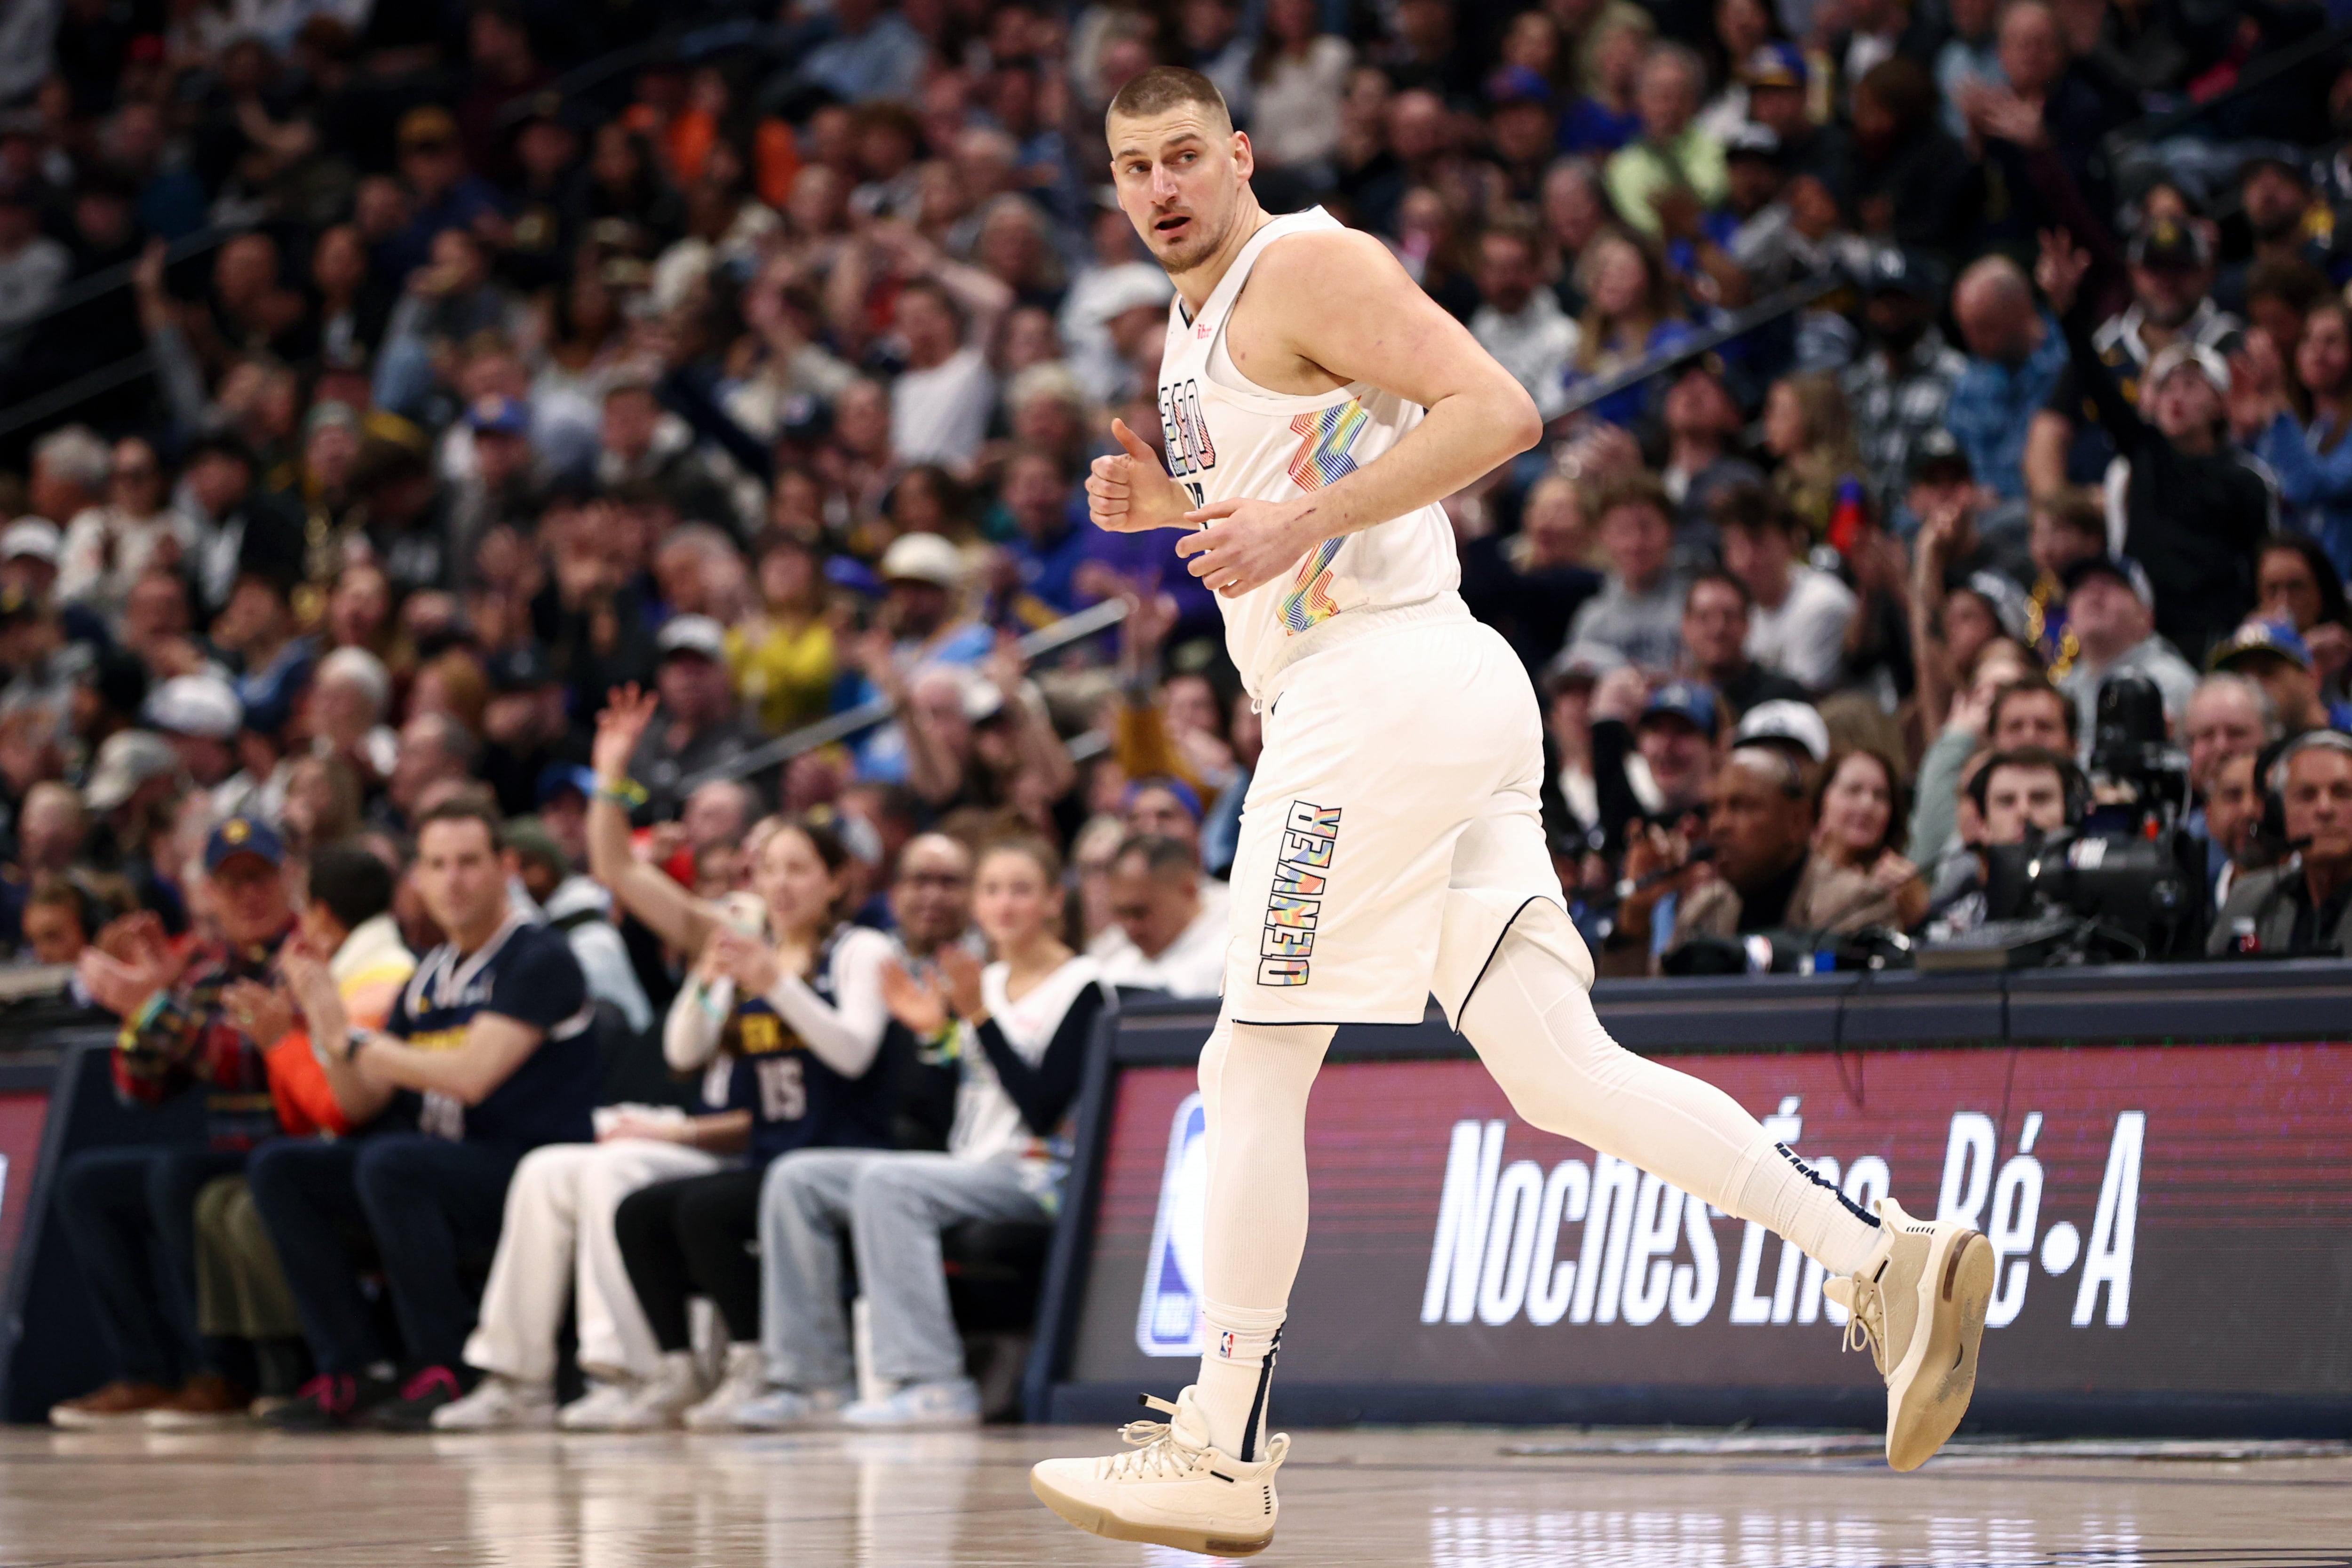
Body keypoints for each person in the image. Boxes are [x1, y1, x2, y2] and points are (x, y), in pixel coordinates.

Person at [1033, 69, 1993, 1557]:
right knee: (1556, 1069)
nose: (1156, 187)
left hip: (1376, 696)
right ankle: (1876, 1256)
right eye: (1127, 167)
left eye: (1180, 157)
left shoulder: (1308, 260)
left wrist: (1299, 521)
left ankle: (1219, 1445)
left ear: (1236, 155)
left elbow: (1499, 410)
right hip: (1430, 705)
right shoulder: (1200, 322)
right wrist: (1186, 512)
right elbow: (1314, 476)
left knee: (1250, 1061)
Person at [581, 686, 897, 1432]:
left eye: (798, 870)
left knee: (703, 1208)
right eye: (767, 871)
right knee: (640, 1211)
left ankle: (755, 1359)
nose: (779, 886)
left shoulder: (859, 950)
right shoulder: (741, 948)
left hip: (843, 1152)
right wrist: (716, 980)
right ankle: (676, 1368)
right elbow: (682, 1053)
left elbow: (851, 1056)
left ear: (836, 881)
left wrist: (775, 984)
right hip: (770, 1155)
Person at [250, 798, 600, 1431]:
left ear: (506, 867)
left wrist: (360, 1044)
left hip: (525, 1167)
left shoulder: (539, 957)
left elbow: (471, 1077)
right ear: (417, 879)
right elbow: (360, 1102)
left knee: (394, 1163)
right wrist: (329, 1035)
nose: (453, 879)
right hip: (433, 1167)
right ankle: (354, 1368)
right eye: (436, 865)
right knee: (283, 1169)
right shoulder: (429, 975)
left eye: (469, 862)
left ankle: (449, 1365)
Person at [755, 836, 1110, 1431]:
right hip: (971, 1163)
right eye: (991, 890)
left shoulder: (1084, 985)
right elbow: (950, 1106)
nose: (1003, 904)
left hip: (1039, 1172)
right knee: (798, 1179)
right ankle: (810, 1379)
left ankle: (932, 1381)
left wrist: (976, 1017)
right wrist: (931, 1036)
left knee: (890, 1184)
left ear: (1053, 901)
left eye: (1020, 890)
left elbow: (1044, 1106)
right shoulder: (983, 980)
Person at [47, 817, 295, 1427]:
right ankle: (144, 1371)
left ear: (289, 879)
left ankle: (224, 1371)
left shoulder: (302, 959)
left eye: (259, 878)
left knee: (178, 1176)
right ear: (209, 893)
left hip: (291, 1151)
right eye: (231, 883)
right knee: (87, 1184)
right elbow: (144, 1090)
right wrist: (151, 1005)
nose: (248, 895)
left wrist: (152, 1007)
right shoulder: (210, 976)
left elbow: (240, 1062)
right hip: (235, 1151)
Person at [2037, 231, 2272, 662]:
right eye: (2164, 387)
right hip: (2147, 640)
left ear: (2222, 403)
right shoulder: (2143, 454)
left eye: (2190, 384)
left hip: (2219, 637)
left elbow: (2263, 566)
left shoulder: (2247, 479)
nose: (2176, 397)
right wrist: (2068, 310)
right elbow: (2096, 380)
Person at [1605, 745, 1899, 973]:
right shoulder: (1704, 911)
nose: (1720, 825)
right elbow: (1643, 1020)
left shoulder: (1856, 904)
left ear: (1798, 821)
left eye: (1741, 807)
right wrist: (1635, 921)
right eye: (1714, 809)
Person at [2210, 732, 2352, 958]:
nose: (2325, 809)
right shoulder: (2248, 899)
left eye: (2343, 793)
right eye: (2307, 796)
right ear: (2279, 814)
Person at [2052, 557, 2198, 755]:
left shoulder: (2169, 682)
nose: (2094, 594)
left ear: (2145, 617)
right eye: (2081, 587)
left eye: (2112, 585)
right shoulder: (2063, 690)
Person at [1563, 472, 1686, 671]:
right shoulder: (1593, 619)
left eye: (1646, 528)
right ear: (1602, 537)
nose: (1636, 543)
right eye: (1623, 530)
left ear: (1671, 530)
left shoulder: (1698, 605)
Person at [1094, 833, 1226, 997]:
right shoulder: (1110, 958)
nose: (1130, 927)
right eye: (1121, 914)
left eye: (1140, 912)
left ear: (1188, 890)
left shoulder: (1236, 954)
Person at [1813, 747, 1927, 929]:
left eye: (1880, 795)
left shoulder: (1902, 885)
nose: (1868, 805)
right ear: (1822, 799)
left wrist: (1917, 915)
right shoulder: (1797, 873)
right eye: (1853, 790)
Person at [1678, 572, 1809, 721]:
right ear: (1685, 625)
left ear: (1747, 623)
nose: (1718, 628)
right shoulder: (1669, 701)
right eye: (1704, 617)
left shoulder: (1782, 699)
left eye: (1729, 616)